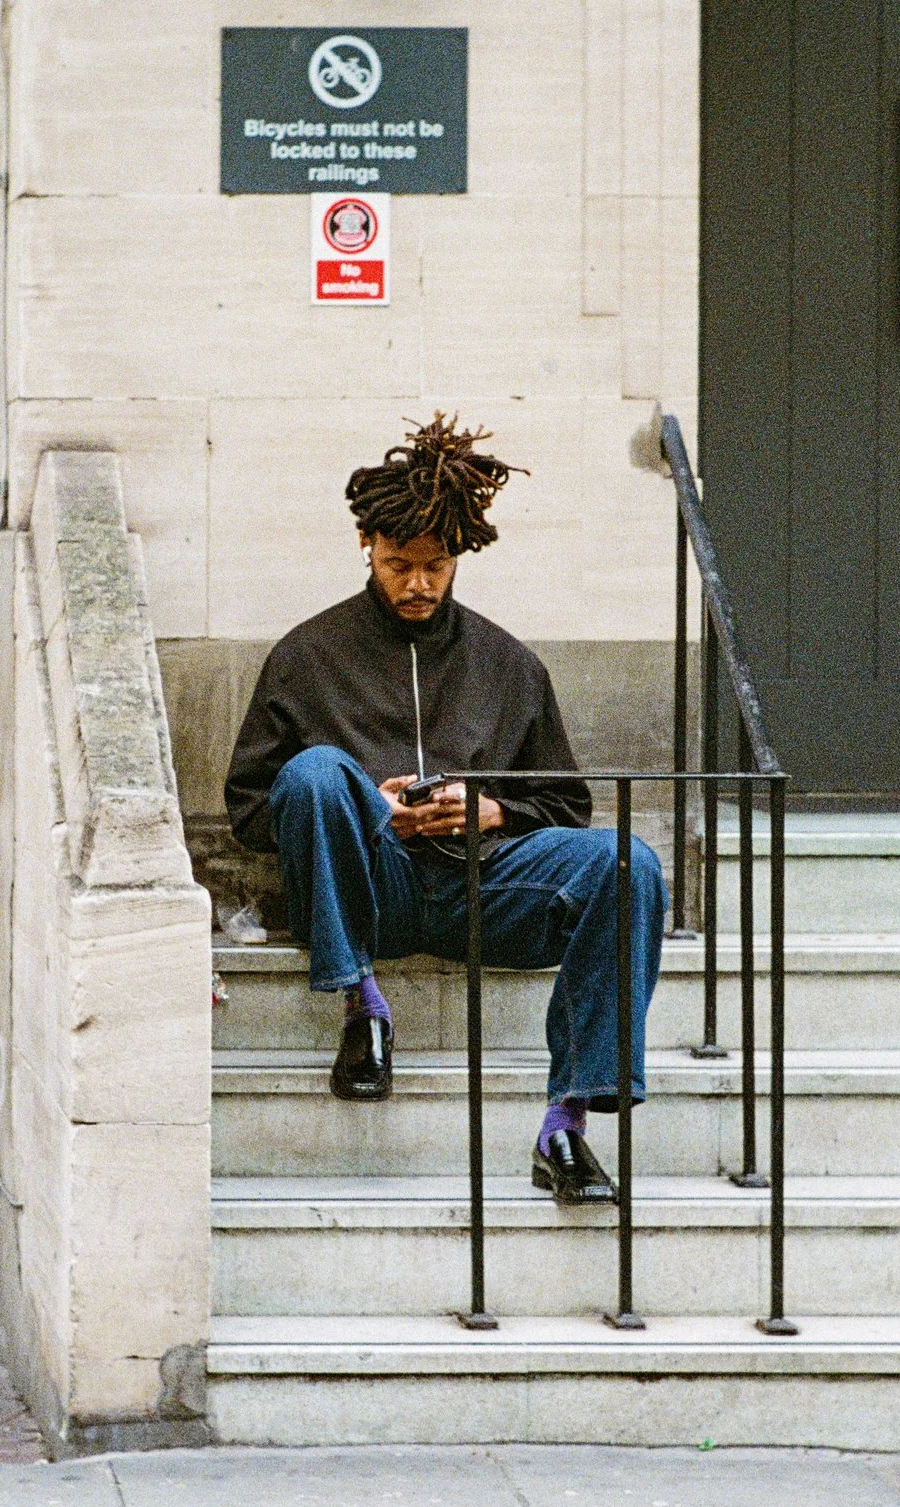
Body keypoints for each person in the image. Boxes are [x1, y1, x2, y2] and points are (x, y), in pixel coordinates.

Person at [224, 415, 665, 1205]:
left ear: (459, 557)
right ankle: (363, 1007)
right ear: (366, 545)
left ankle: (566, 1124)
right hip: (370, 893)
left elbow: (568, 801)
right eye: (399, 565)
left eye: (435, 566)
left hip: (485, 891)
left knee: (629, 863)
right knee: (321, 771)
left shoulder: (508, 662)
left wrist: (492, 812)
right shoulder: (306, 655)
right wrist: (369, 810)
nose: (418, 583)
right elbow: (252, 808)